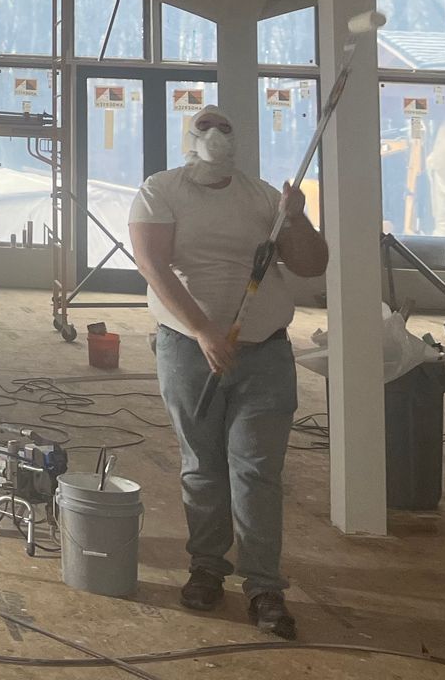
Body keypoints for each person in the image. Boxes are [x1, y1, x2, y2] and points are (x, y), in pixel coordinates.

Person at [128, 105, 329, 640]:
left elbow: (311, 264)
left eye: (226, 124)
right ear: (186, 138)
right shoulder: (161, 190)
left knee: (257, 471)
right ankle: (207, 568)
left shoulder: (263, 197)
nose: (217, 132)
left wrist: (298, 216)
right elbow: (152, 264)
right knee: (202, 465)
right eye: (205, 125)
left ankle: (264, 586)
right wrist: (203, 331)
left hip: (264, 354)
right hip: (188, 350)